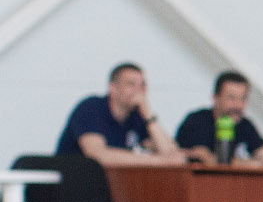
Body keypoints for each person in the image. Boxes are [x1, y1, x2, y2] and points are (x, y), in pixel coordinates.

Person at [55, 63, 185, 168]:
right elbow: (98, 155)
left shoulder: (136, 116)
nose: (139, 90)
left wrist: (148, 114)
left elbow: (173, 156)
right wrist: (158, 162)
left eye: (142, 85)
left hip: (110, 189)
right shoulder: (91, 108)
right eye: (131, 84)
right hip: (72, 186)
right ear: (113, 89)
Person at [175, 71, 263, 166]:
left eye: (243, 98)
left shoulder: (245, 124)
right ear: (216, 98)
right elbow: (193, 160)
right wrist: (251, 163)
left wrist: (233, 162)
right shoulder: (197, 121)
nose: (238, 105)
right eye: (231, 98)